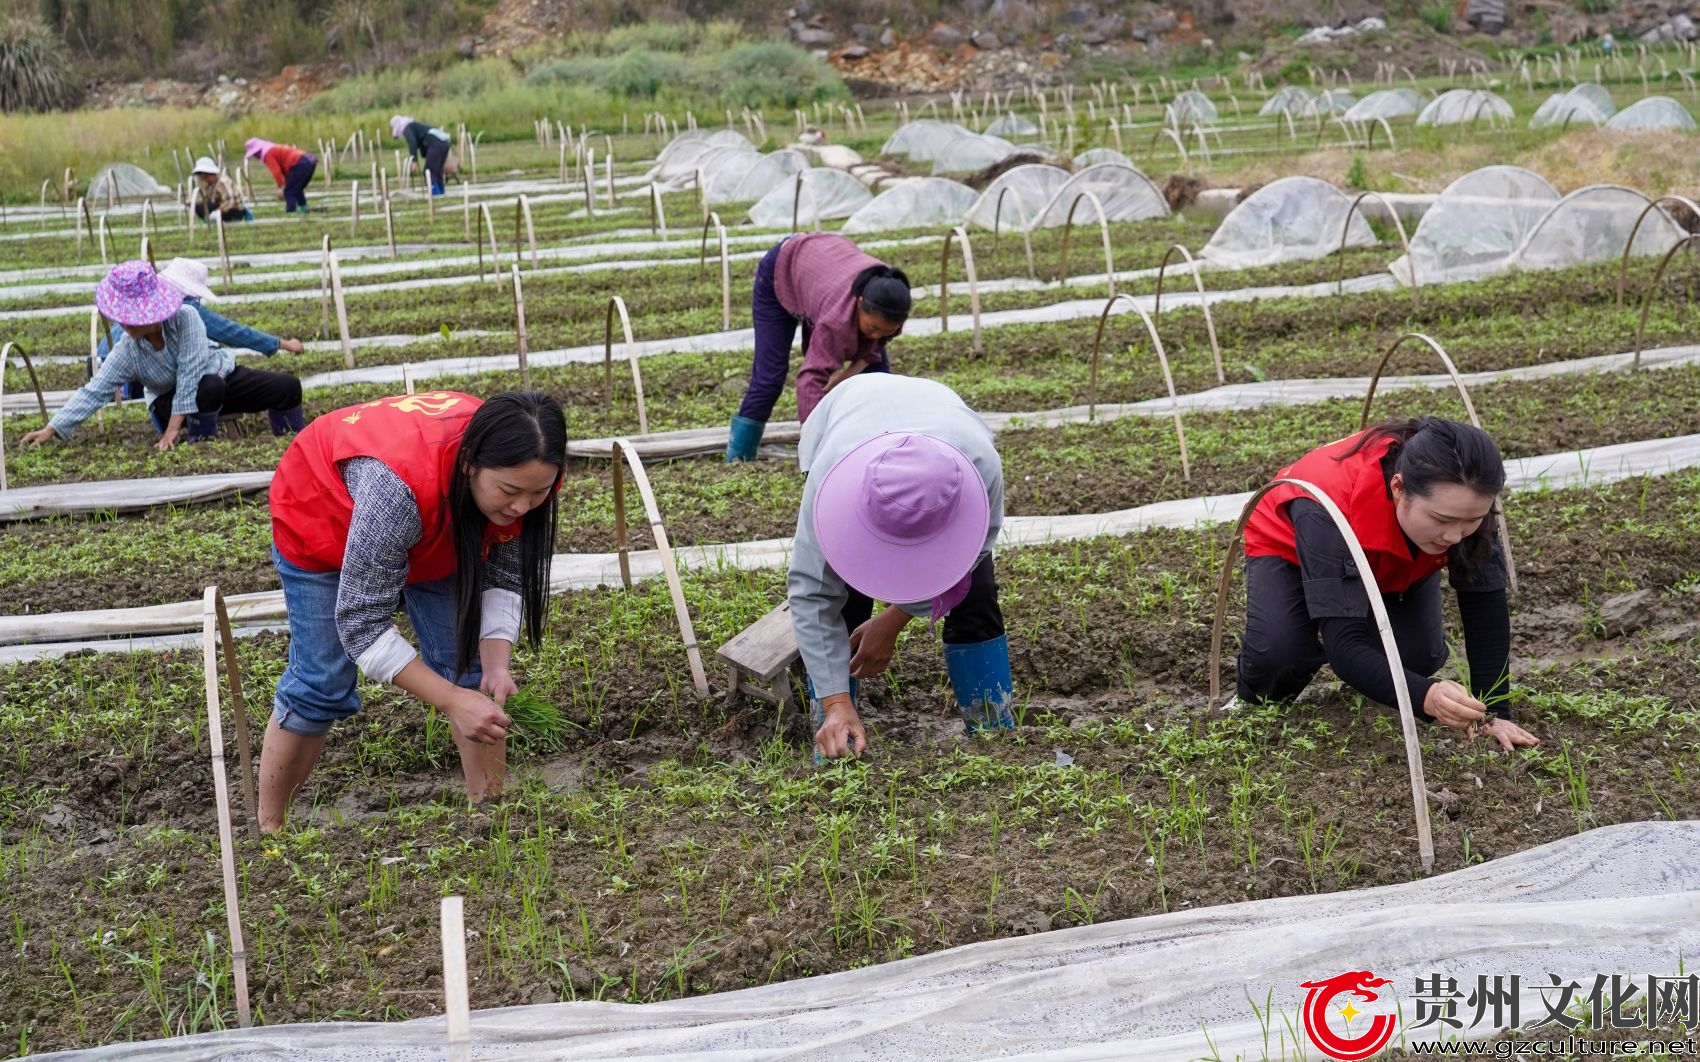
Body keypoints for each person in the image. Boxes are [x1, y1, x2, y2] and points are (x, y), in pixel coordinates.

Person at [260, 390, 566, 831]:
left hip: (441, 519)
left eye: (537, 493)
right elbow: (361, 624)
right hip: (321, 519)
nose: (523, 507)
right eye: (511, 491)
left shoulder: (530, 466)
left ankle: (491, 817)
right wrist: (452, 700)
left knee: (471, 667)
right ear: (470, 465)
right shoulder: (397, 492)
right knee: (321, 682)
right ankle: (270, 831)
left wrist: (494, 669)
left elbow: (505, 570)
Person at [1236, 417, 1539, 752]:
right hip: (1294, 547)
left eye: (1471, 520)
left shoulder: (1465, 497)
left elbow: (1484, 606)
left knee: (1415, 658)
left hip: (1399, 550)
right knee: (1280, 657)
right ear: (1399, 488)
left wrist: (1494, 712)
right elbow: (1346, 646)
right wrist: (1426, 697)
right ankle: (1268, 678)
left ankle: (1360, 624)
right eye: (1441, 520)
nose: (1455, 536)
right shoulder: (1327, 504)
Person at [788, 373, 1012, 760]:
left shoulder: (980, 465)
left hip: (939, 416)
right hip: (851, 414)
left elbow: (972, 556)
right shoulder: (830, 479)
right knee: (845, 598)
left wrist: (893, 619)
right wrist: (835, 701)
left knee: (974, 597)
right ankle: (836, 727)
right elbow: (812, 591)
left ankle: (995, 735)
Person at [20, 261, 304, 450]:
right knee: (209, 388)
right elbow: (94, 391)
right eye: (123, 317)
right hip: (171, 402)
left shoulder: (187, 318)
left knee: (287, 387)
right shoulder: (128, 350)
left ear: (154, 311)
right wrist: (52, 428)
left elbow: (191, 373)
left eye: (133, 317)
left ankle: (290, 442)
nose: (126, 324)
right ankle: (201, 442)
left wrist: (171, 432)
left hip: (214, 376)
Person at [726, 232, 912, 462]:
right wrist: (816, 451)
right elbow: (810, 381)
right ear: (860, 303)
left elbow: (874, 347)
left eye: (886, 331)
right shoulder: (837, 322)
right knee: (769, 378)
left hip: (821, 276)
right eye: (873, 328)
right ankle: (739, 457)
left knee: (877, 378)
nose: (878, 336)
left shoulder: (890, 293)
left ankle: (884, 450)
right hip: (783, 266)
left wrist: (848, 373)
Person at [246, 138, 318, 215]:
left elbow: (276, 171)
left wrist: (281, 187)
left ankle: (291, 212)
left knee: (289, 192)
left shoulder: (268, 153)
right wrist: (285, 184)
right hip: (308, 161)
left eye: (255, 154)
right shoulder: (273, 148)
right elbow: (287, 170)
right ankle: (304, 208)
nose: (255, 156)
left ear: (258, 151)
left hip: (300, 163)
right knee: (296, 188)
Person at [391, 115, 453, 196]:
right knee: (437, 171)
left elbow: (412, 142)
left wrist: (414, 161)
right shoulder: (414, 126)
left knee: (428, 171)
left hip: (436, 143)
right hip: (444, 142)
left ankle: (435, 194)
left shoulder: (407, 127)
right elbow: (422, 146)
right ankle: (441, 193)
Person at [187, 156, 251, 222]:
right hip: (219, 208)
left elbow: (231, 202)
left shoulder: (223, 182)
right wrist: (193, 202)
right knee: (199, 206)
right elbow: (206, 199)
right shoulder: (209, 186)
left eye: (206, 176)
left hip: (234, 210)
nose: (205, 179)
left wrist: (217, 211)